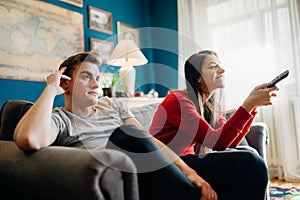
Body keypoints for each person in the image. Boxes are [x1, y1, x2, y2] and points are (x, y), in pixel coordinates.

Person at [13, 52, 218, 200]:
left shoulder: (113, 105)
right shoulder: (60, 120)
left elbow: (149, 142)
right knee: (127, 135)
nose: (96, 85)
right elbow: (29, 139)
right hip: (125, 177)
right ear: (64, 83)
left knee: (246, 159)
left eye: (97, 78)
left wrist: (188, 171)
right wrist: (50, 88)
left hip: (151, 169)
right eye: (86, 77)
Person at [149, 50, 279, 200]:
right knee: (250, 160)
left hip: (189, 161)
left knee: (248, 152)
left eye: (220, 65)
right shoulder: (178, 100)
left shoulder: (211, 107)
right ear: (198, 77)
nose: (222, 70)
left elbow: (230, 143)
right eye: (213, 66)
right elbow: (217, 142)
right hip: (170, 166)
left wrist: (252, 107)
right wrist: (247, 106)